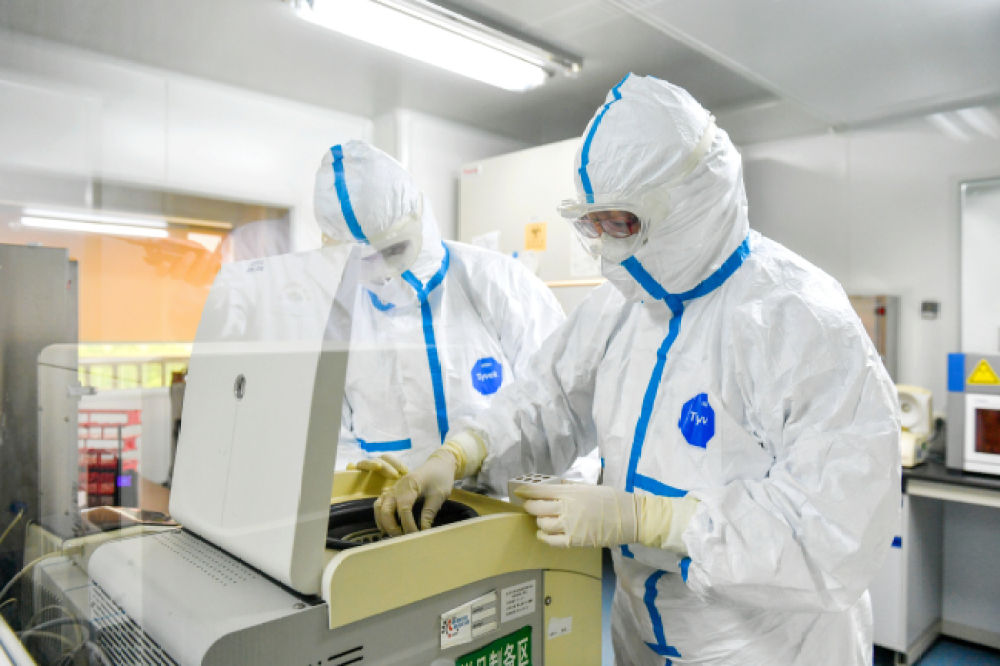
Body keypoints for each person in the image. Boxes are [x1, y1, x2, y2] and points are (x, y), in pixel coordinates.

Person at [374, 74, 901, 664]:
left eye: (621, 223)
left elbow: (832, 530)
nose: (605, 247)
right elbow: (546, 399)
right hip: (641, 635)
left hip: (766, 649)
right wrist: (460, 454)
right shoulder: (622, 308)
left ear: (690, 205)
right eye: (592, 224)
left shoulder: (797, 317)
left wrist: (651, 519)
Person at [313, 140, 570, 479]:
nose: (384, 271)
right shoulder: (335, 318)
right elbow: (329, 436)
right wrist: (356, 476)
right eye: (364, 260)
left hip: (504, 502)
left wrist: (560, 501)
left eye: (393, 250)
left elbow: (560, 408)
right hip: (387, 507)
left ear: (418, 218)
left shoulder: (501, 284)